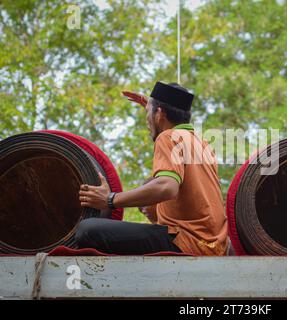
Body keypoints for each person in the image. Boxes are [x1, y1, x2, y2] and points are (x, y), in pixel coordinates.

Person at [75, 81, 228, 255]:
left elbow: (166, 187)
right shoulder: (202, 143)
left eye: (148, 113)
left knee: (87, 229)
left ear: (159, 114)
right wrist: (153, 105)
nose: (146, 121)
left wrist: (110, 199)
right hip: (213, 244)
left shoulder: (168, 137)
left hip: (185, 240)